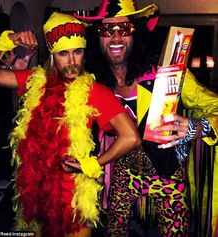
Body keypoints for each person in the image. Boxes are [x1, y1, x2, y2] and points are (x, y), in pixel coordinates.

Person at [0, 12, 141, 237]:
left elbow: (131, 137)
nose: (72, 60)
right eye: (63, 53)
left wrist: (92, 163)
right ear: (52, 55)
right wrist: (5, 43)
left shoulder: (95, 92)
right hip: (34, 199)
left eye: (78, 51)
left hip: (72, 206)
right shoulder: (33, 80)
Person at [74, 0, 218, 236]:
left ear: (136, 34)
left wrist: (196, 127)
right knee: (114, 230)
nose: (116, 37)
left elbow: (214, 105)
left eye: (125, 29)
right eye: (107, 30)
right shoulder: (92, 83)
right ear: (96, 38)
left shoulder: (167, 73)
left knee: (175, 233)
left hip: (168, 171)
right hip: (124, 169)